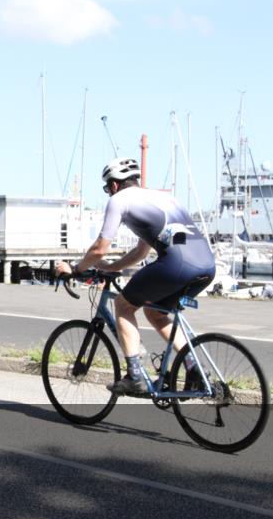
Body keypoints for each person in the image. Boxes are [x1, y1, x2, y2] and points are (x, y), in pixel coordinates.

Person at [55, 158, 215, 396]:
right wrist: (111, 268)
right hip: (206, 266)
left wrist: (76, 269)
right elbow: (141, 251)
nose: (109, 192)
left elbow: (100, 248)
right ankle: (194, 368)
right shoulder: (164, 198)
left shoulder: (119, 201)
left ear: (115, 185)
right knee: (156, 312)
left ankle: (135, 376)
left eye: (108, 188)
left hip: (176, 264)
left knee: (123, 305)